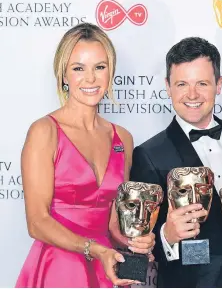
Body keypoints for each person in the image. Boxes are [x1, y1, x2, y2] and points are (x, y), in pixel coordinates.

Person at [15, 23, 155, 288]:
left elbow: (115, 222)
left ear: (110, 71)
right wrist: (93, 249)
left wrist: (135, 240)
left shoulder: (122, 138)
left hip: (107, 265)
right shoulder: (45, 132)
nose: (90, 79)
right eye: (79, 68)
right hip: (59, 266)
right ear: (64, 75)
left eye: (99, 67)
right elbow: (37, 222)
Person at [130, 37, 222, 288]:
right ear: (167, 86)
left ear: (219, 84)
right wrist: (167, 235)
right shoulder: (149, 153)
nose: (192, 94)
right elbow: (140, 238)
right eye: (182, 84)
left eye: (202, 83)